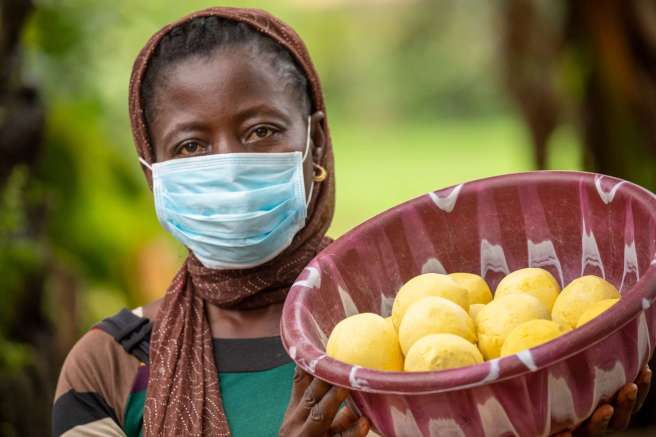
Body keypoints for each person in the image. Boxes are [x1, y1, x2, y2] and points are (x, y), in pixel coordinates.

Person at [52, 7, 651, 437]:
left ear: (315, 148)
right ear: (152, 173)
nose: (229, 166)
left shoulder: (417, 325)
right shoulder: (113, 365)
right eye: (190, 147)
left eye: (260, 131)